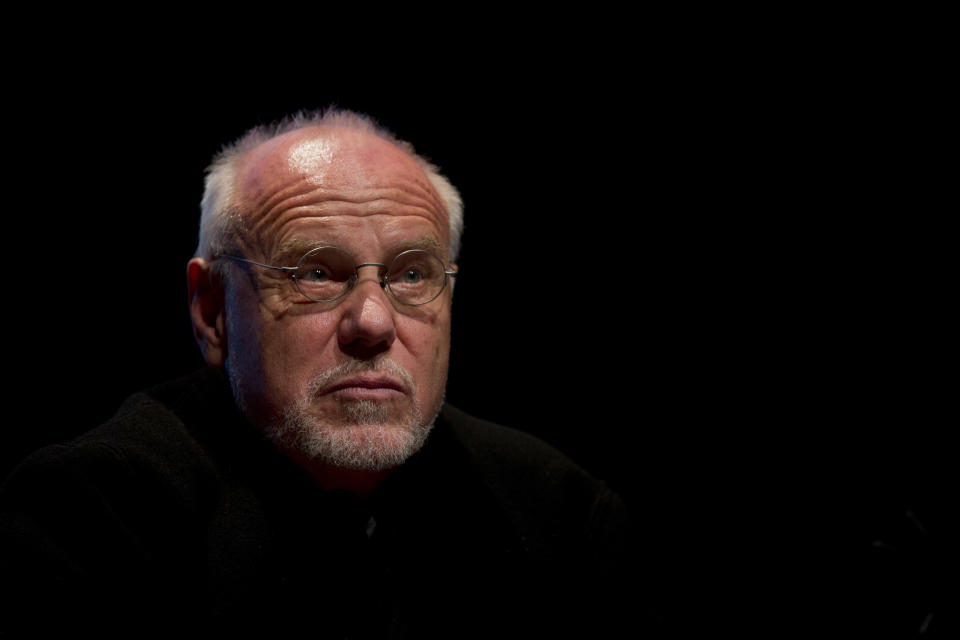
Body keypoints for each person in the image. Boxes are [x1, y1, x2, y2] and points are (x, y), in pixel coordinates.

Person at [0, 109, 650, 638]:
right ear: (212, 311)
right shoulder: (97, 515)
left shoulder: (561, 515)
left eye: (412, 274)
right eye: (315, 272)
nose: (373, 323)